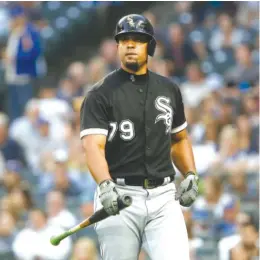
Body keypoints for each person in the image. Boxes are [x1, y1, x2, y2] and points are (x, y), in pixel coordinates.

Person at [80, 14, 199, 260]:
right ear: (117, 47)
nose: (131, 44)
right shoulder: (100, 94)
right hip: (119, 195)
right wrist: (104, 184)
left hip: (164, 197)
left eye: (138, 39)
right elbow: (93, 147)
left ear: (151, 46)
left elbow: (179, 139)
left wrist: (190, 174)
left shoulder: (169, 89)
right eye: (125, 40)